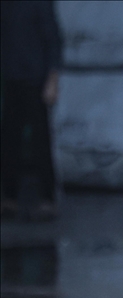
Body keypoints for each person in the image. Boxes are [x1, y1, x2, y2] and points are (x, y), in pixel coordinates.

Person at [0, 0, 62, 221]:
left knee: (40, 141)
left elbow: (53, 40)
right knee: (9, 139)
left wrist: (52, 80)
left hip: (36, 79)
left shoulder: (39, 3)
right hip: (12, 78)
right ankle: (9, 197)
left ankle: (47, 199)